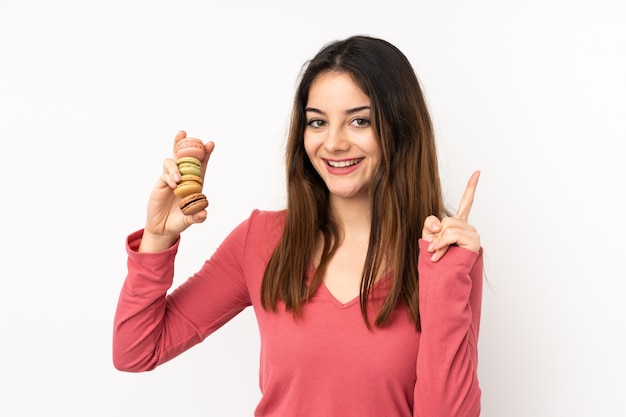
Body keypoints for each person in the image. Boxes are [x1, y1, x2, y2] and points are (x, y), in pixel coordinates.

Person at [113, 35, 484, 417]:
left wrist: (446, 276)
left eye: (360, 121)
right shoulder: (261, 240)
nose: (334, 143)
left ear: (400, 129)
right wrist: (158, 237)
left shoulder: (447, 256)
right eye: (318, 122)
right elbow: (137, 350)